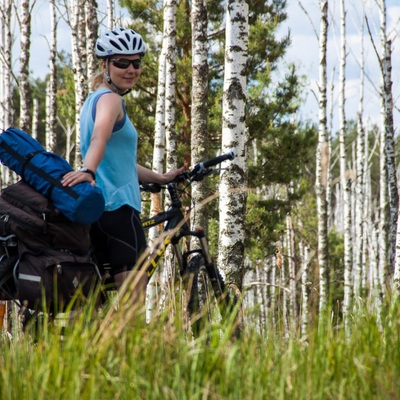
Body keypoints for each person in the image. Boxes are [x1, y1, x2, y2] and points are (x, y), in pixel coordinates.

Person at [62, 27, 185, 303]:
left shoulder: (94, 100)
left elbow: (121, 162)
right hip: (118, 211)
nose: (130, 69)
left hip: (99, 211)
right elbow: (99, 137)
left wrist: (162, 178)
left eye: (136, 63)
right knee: (133, 308)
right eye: (121, 63)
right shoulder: (111, 99)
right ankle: (130, 347)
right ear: (104, 64)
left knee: (102, 300)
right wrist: (88, 171)